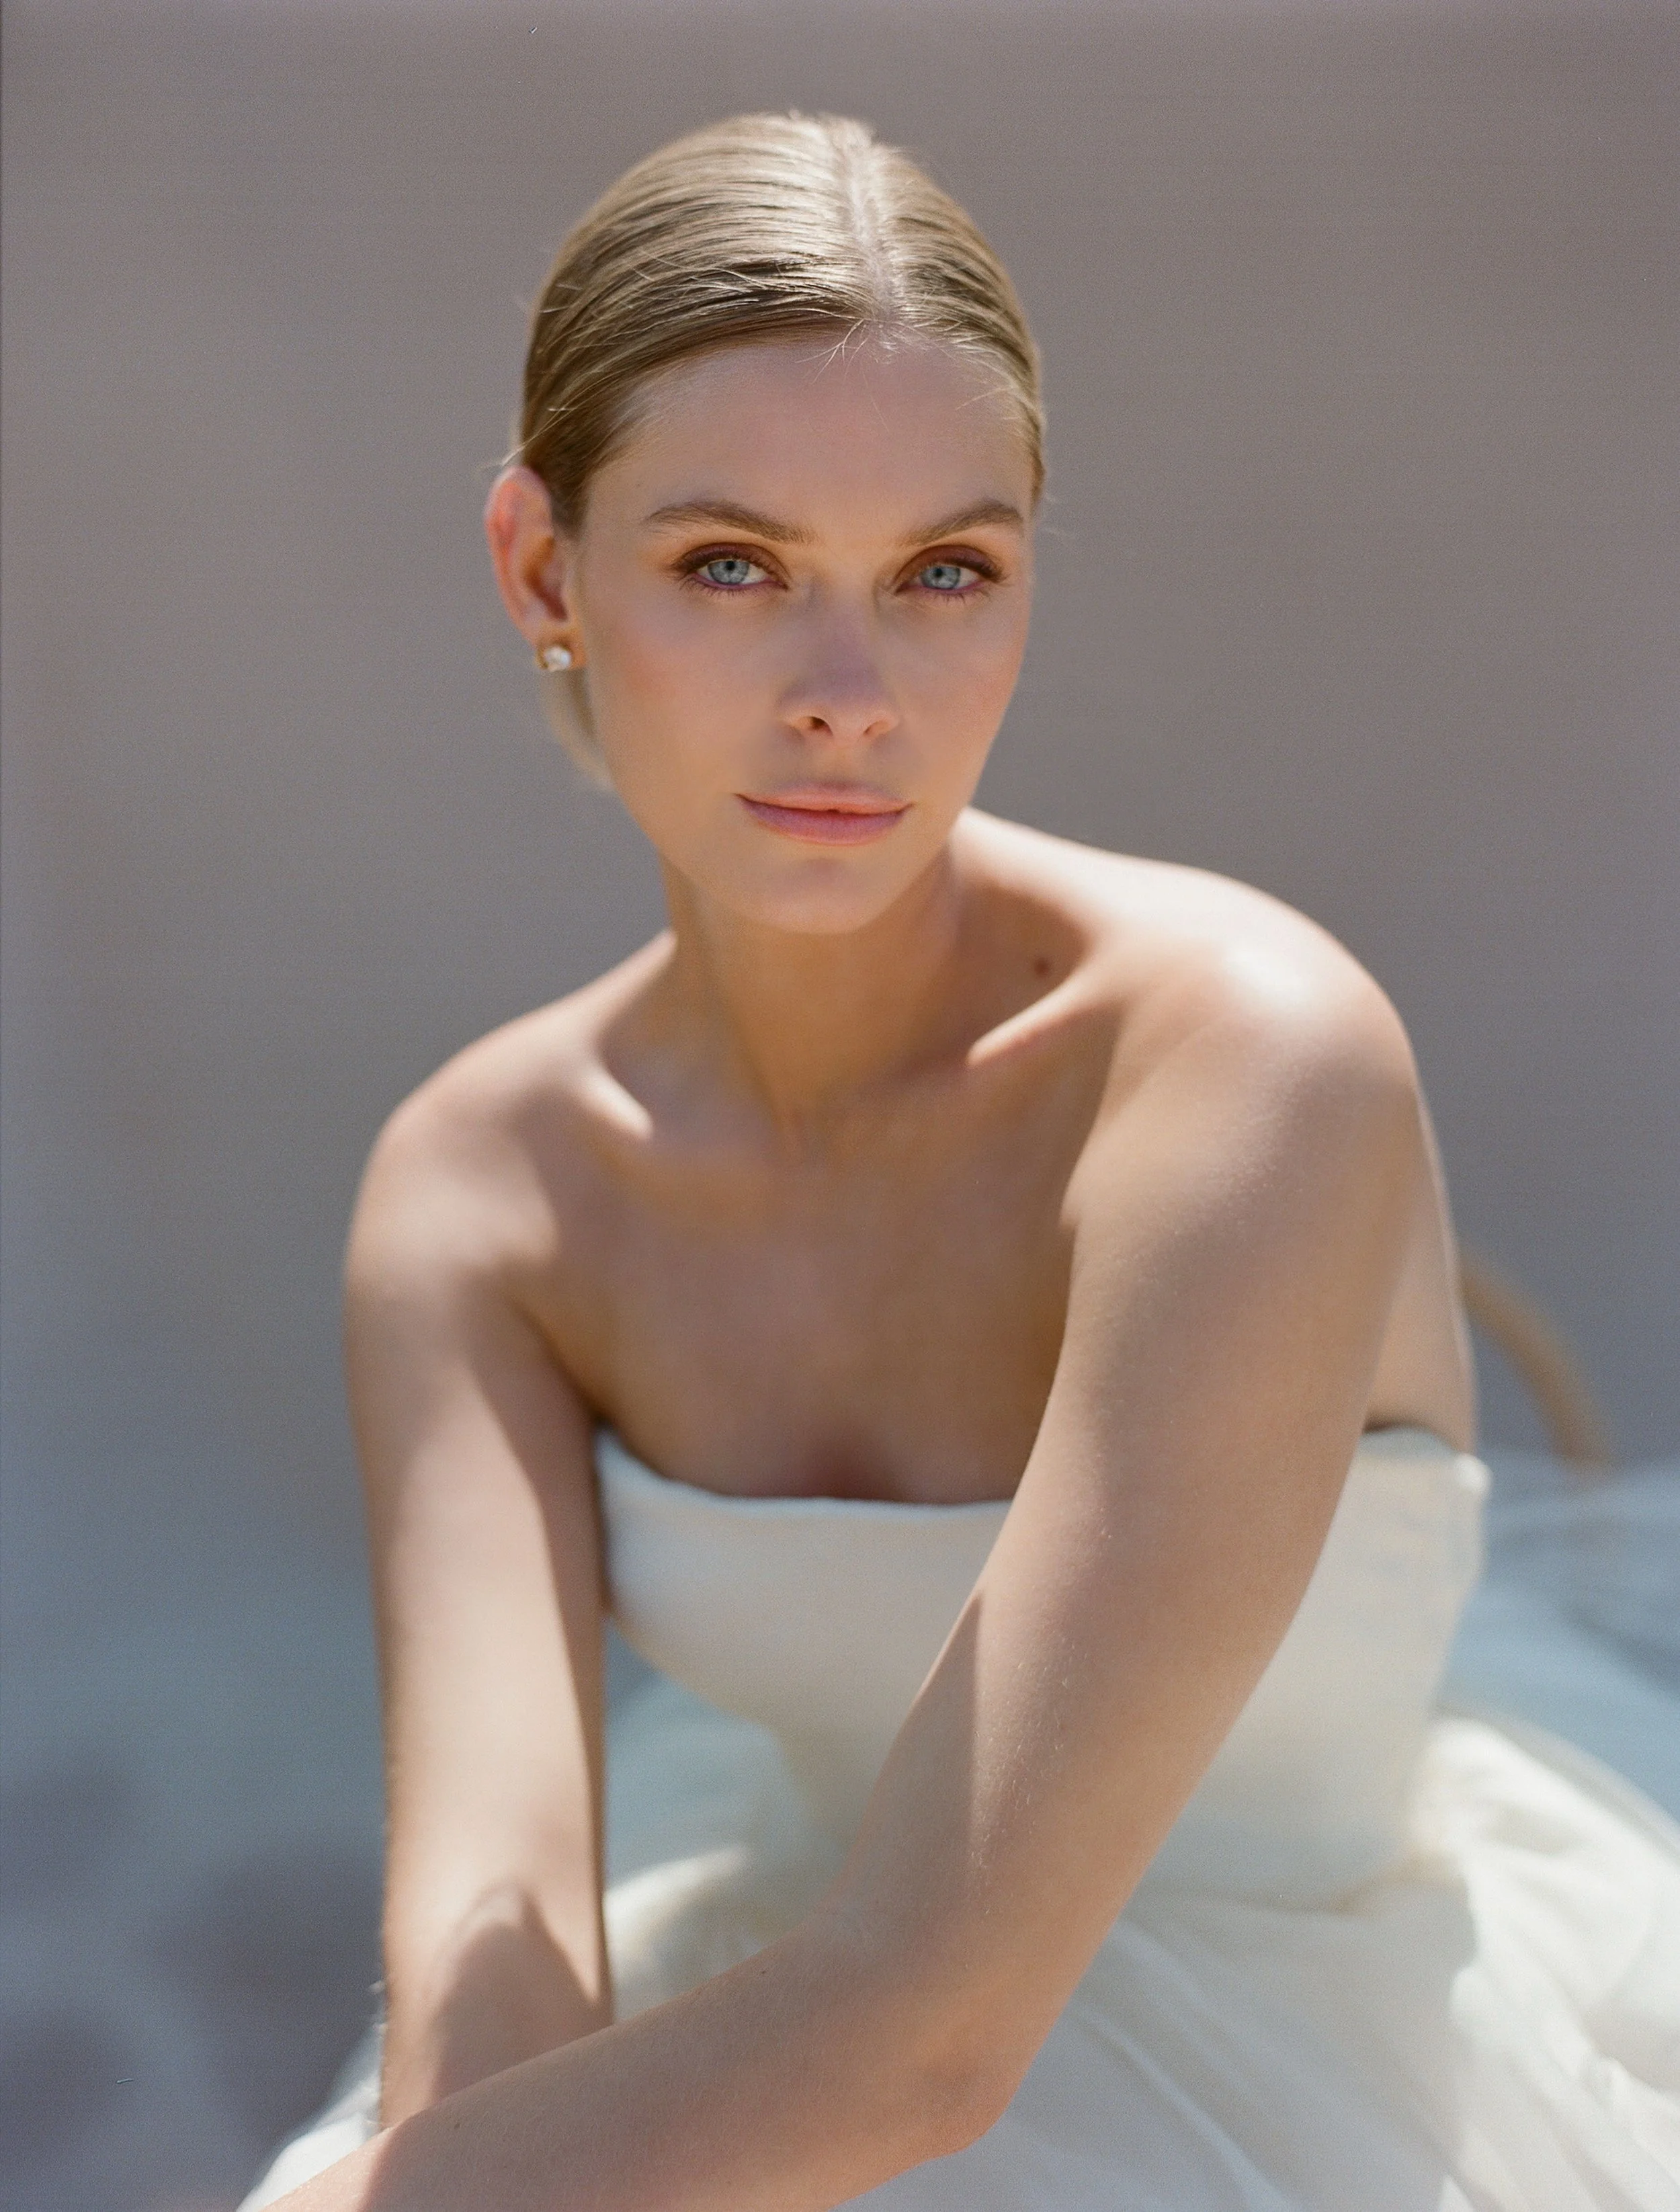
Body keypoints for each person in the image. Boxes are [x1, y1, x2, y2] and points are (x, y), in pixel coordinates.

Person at [241, 112, 1680, 2212]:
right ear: (543, 571)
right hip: (778, 2005)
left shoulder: (1246, 1060)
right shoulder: (483, 1193)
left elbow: (931, 2040)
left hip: (1239, 2073)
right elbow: (496, 1943)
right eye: (729, 565)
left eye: (943, 573)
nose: (850, 695)